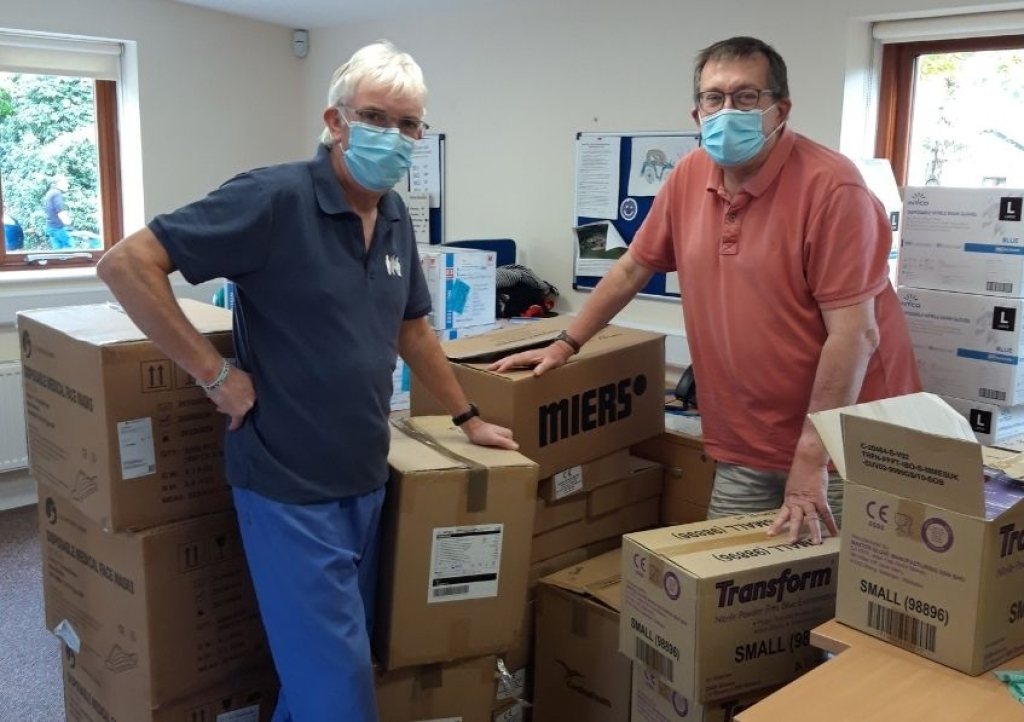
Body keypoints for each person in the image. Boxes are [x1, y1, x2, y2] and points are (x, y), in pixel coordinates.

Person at [97, 40, 517, 722]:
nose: (396, 136)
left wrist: (467, 416)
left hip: (365, 480)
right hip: (290, 487)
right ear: (335, 121)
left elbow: (411, 330)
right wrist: (214, 375)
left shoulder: (394, 219)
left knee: (320, 677)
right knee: (343, 696)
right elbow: (125, 264)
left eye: (410, 124)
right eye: (377, 117)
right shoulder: (272, 197)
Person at [491, 36, 921, 545]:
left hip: (845, 444)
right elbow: (632, 268)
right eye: (714, 98)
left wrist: (812, 457)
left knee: (833, 602)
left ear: (779, 109)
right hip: (746, 437)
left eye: (745, 96)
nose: (727, 110)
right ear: (697, 114)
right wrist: (566, 343)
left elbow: (855, 336)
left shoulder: (833, 189)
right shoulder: (689, 175)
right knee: (734, 593)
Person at [43, 175, 73, 249]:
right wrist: (69, 223)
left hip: (50, 226)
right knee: (70, 249)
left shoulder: (50, 192)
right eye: (66, 183)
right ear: (60, 183)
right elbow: (60, 211)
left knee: (58, 252)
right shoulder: (57, 193)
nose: (68, 185)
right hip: (58, 228)